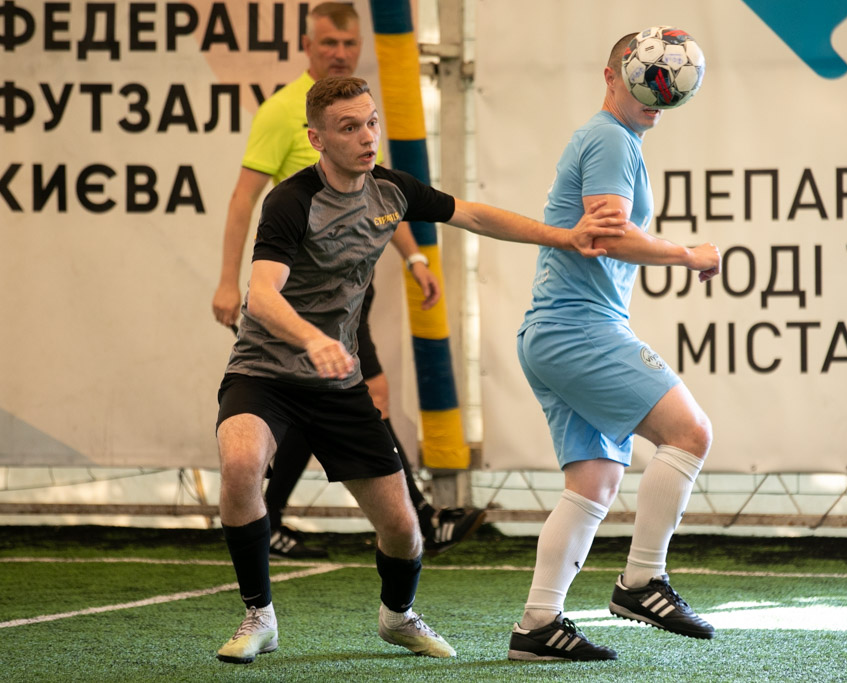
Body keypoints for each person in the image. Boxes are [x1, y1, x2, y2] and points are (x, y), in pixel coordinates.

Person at [213, 75, 626, 664]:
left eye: (371, 122)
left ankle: (398, 616)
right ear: (317, 139)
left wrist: (565, 236)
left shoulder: (391, 190)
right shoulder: (291, 201)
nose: (367, 136)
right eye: (349, 127)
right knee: (240, 465)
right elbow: (261, 294)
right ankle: (259, 615)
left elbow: (473, 215)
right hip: (264, 373)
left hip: (338, 384)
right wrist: (312, 339)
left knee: (405, 530)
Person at [211, 2, 486, 559]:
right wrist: (227, 282)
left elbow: (379, 200)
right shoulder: (283, 112)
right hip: (297, 295)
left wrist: (414, 258)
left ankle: (326, 518)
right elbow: (244, 199)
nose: (339, 53)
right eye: (328, 43)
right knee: (340, 393)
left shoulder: (359, 116)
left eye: (349, 43)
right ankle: (412, 518)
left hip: (350, 290)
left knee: (339, 395)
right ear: (307, 47)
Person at [507, 32, 723, 662]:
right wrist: (688, 254)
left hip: (555, 332)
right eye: (646, 80)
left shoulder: (617, 139)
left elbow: (607, 232)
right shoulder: (608, 137)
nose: (659, 93)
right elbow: (610, 236)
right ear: (611, 76)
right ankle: (642, 581)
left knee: (595, 482)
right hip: (578, 329)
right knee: (690, 432)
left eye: (667, 84)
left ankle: (537, 626)